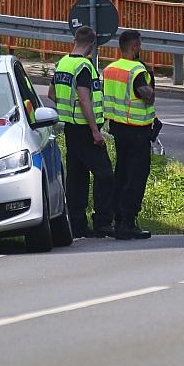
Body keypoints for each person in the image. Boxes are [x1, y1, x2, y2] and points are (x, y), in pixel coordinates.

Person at [48, 26, 114, 238]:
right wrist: (95, 131)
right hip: (85, 129)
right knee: (105, 174)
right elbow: (85, 99)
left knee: (77, 177)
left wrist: (69, 107)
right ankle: (102, 223)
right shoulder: (84, 67)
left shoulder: (63, 64)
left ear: (74, 40)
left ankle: (77, 224)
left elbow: (52, 94)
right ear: (93, 45)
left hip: (69, 128)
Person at [103, 30, 155, 240]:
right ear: (134, 47)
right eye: (139, 45)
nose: (141, 48)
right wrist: (150, 85)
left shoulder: (110, 68)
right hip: (137, 130)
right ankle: (128, 222)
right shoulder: (137, 70)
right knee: (136, 177)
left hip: (118, 128)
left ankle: (118, 220)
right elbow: (148, 97)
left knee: (121, 173)